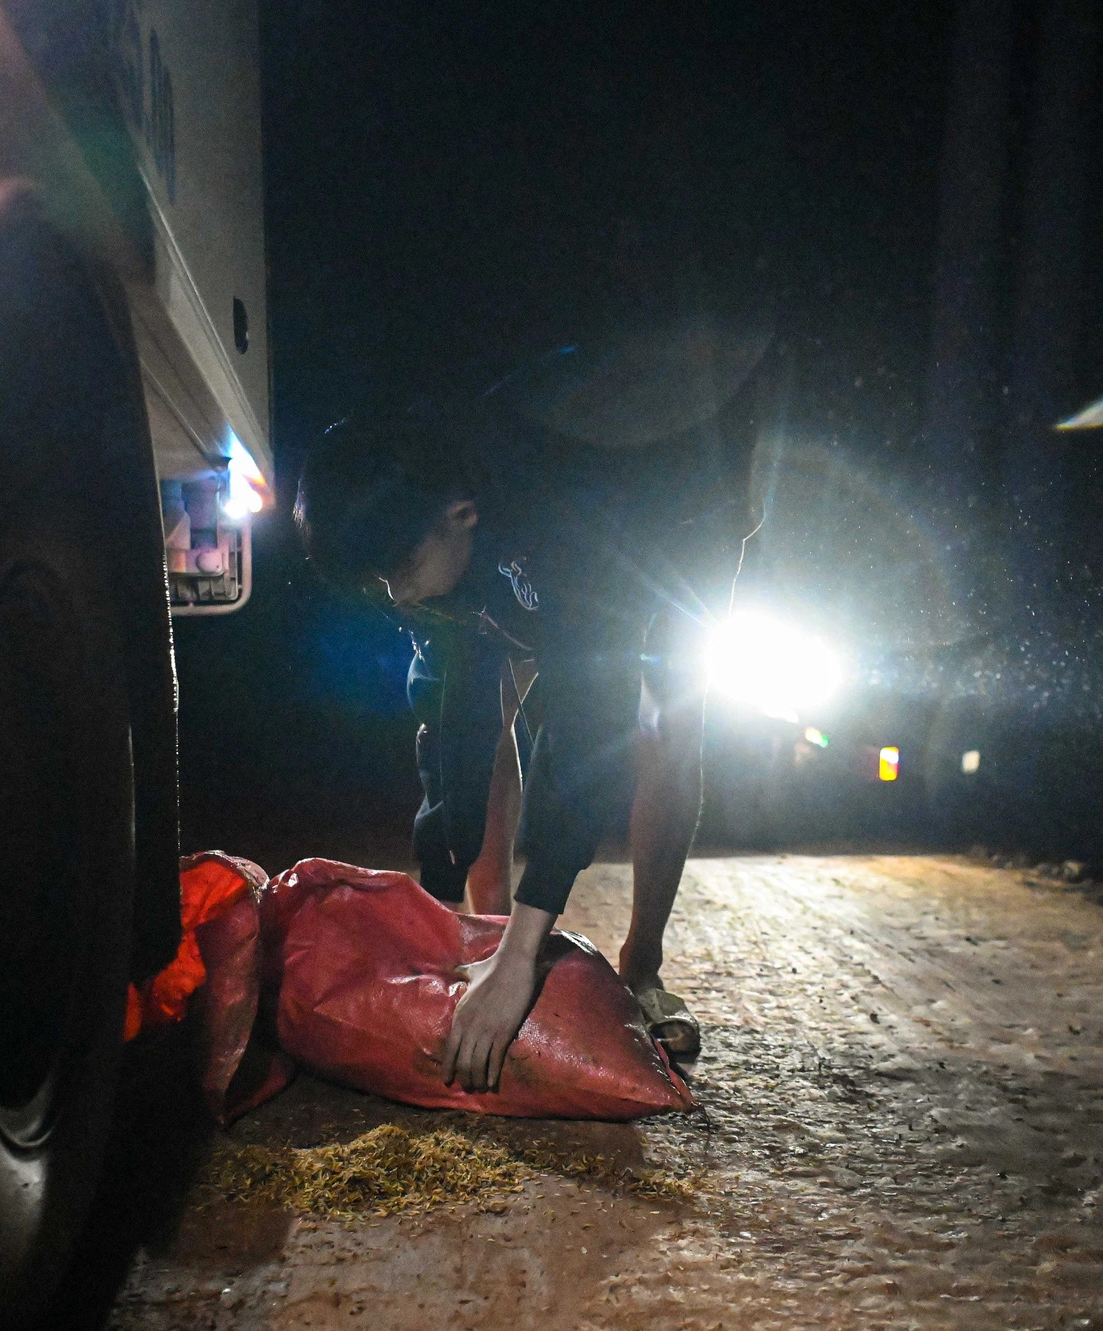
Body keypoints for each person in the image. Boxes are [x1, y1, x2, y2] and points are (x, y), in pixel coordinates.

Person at [293, 370, 765, 1094]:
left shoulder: (563, 518)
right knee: (486, 694)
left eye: (398, 574)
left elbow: (585, 722)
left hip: (677, 510)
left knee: (665, 718)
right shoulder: (410, 521)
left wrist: (524, 952)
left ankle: (641, 965)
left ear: (461, 515)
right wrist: (444, 908)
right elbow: (455, 718)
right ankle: (487, 930)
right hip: (540, 521)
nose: (396, 597)